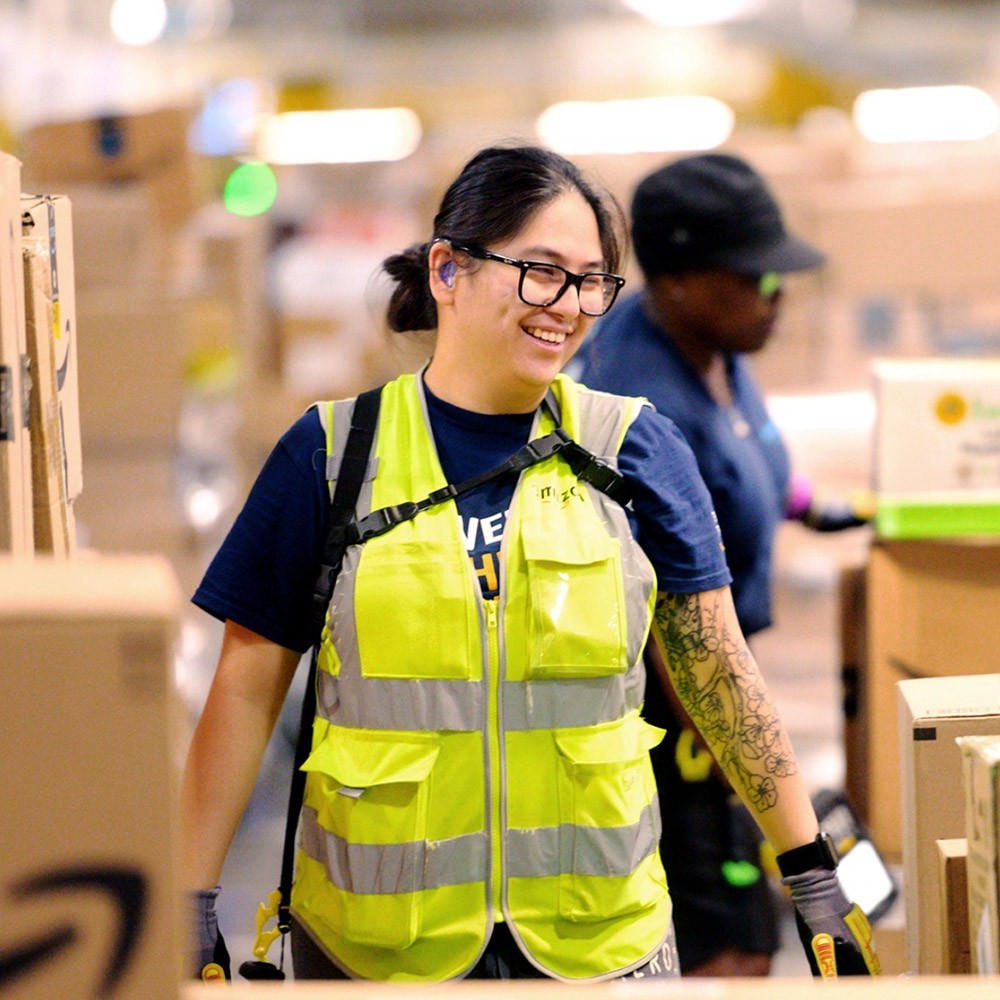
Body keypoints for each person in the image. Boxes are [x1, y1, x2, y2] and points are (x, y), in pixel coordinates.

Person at [181, 144, 878, 984]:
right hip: (380, 956)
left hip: (600, 949)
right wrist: (192, 901)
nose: (570, 306)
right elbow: (247, 683)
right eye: (542, 272)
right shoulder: (331, 457)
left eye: (591, 281)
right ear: (448, 269)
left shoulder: (635, 449)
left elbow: (718, 672)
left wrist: (810, 870)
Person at [571, 152, 869, 976]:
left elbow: (751, 466)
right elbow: (670, 634)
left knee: (751, 932)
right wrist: (757, 775)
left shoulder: (720, 349)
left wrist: (820, 506)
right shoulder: (637, 408)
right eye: (754, 278)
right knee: (725, 950)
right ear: (676, 280)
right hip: (676, 726)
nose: (777, 297)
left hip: (724, 699)